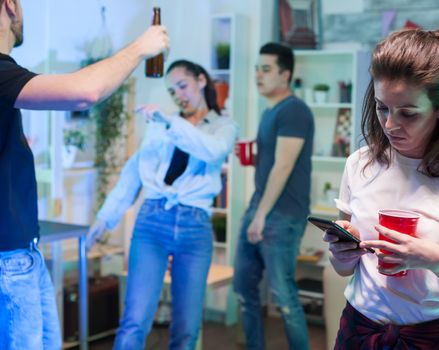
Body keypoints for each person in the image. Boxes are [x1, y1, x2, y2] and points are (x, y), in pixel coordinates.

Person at [324, 28, 439, 349]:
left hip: (435, 338)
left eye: (408, 113)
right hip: (360, 331)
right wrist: (341, 253)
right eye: (382, 108)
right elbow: (344, 269)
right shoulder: (359, 164)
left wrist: (437, 260)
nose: (390, 124)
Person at [0, 0, 169, 348]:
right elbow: (84, 92)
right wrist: (142, 47)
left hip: (22, 254)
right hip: (8, 262)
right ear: (10, 6)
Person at [86, 59, 238, 349]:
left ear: (201, 81)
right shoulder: (162, 126)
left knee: (186, 328)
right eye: (172, 91)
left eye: (182, 85)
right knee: (134, 320)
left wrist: (171, 121)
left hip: (195, 230)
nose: (178, 95)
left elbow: (211, 151)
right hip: (152, 222)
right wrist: (104, 219)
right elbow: (133, 174)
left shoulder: (224, 126)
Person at [233, 42, 314, 350]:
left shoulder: (294, 110)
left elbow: (283, 167)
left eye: (266, 69)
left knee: (284, 297)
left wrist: (260, 215)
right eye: (257, 68)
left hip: (281, 213)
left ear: (285, 74)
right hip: (262, 206)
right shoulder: (271, 111)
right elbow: (273, 162)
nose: (258, 75)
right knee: (244, 288)